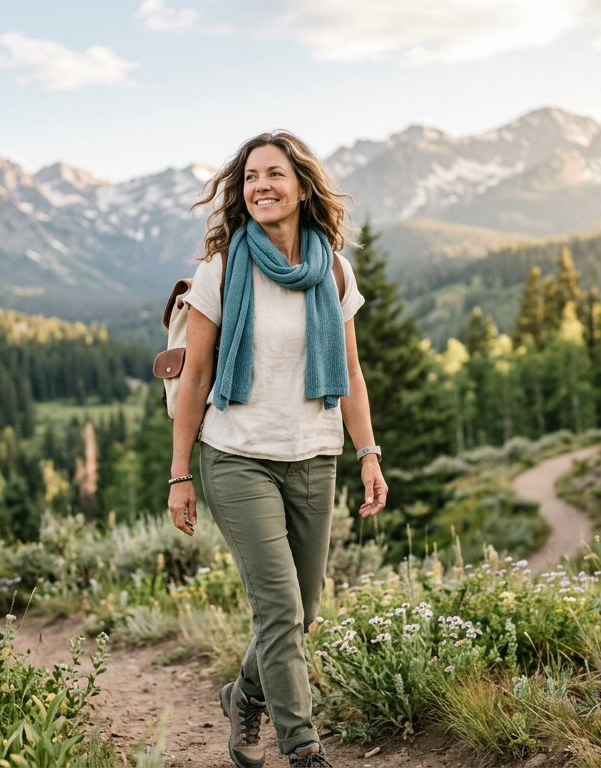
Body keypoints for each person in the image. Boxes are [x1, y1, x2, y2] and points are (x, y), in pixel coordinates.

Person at [167, 130, 388, 768]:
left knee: (303, 609)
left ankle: (243, 696)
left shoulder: (334, 270)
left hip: (315, 453)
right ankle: (304, 746)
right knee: (280, 607)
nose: (260, 186)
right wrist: (179, 475)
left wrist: (368, 452)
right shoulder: (223, 269)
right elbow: (197, 378)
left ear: (301, 187)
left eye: (274, 175)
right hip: (237, 455)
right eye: (249, 178)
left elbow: (349, 371)